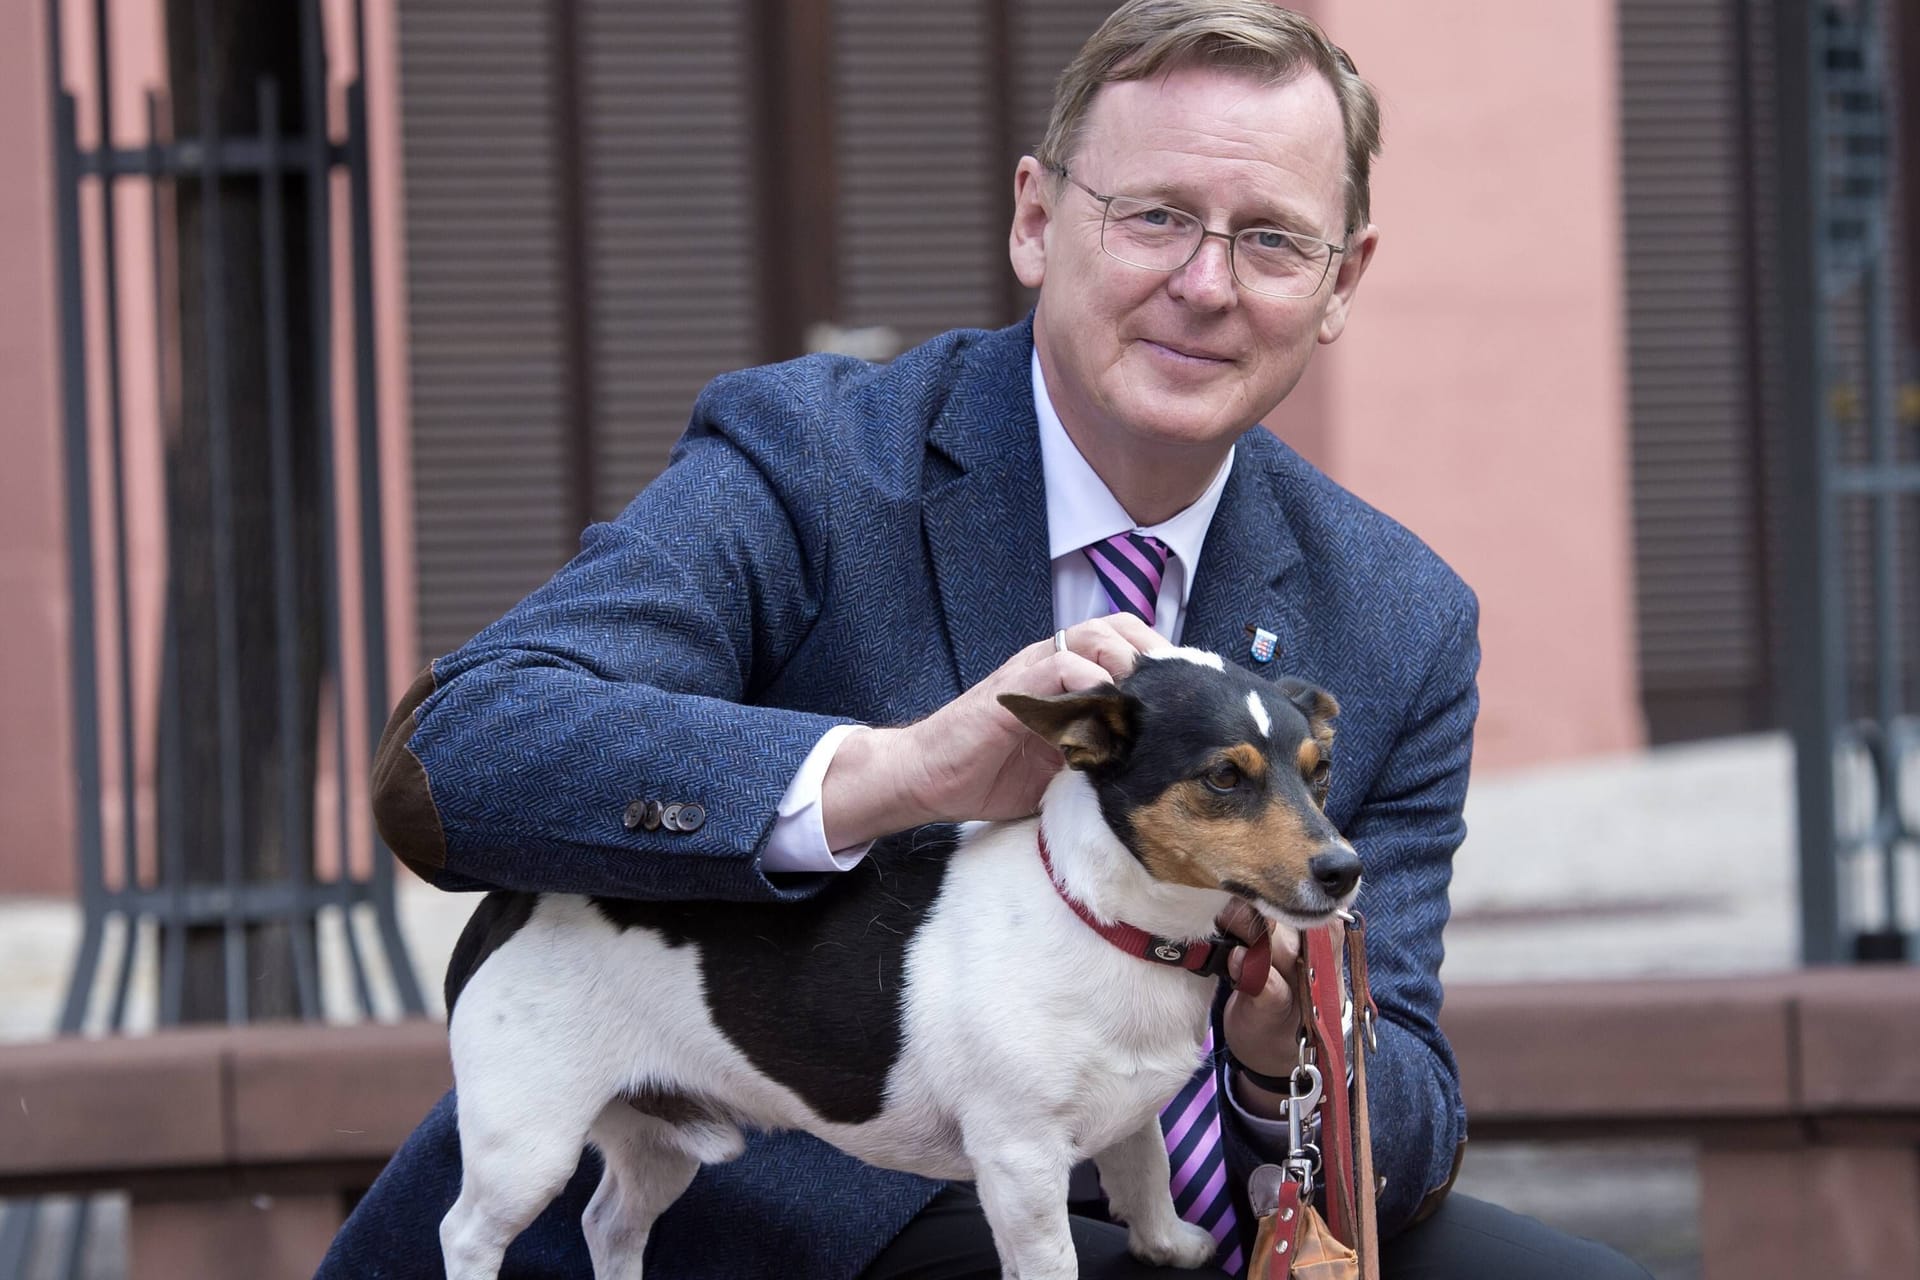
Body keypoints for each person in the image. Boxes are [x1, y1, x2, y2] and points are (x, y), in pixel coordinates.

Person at [320, 2, 1651, 1277]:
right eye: (1156, 218)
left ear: (1342, 282)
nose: (1204, 284)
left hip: (1195, 1208)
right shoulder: (814, 462)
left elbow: (1404, 1124)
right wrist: (895, 775)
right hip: (813, 1190)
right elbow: (457, 755)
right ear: (1034, 219)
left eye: (1270, 241)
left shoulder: (1399, 617)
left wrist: (1279, 1053)